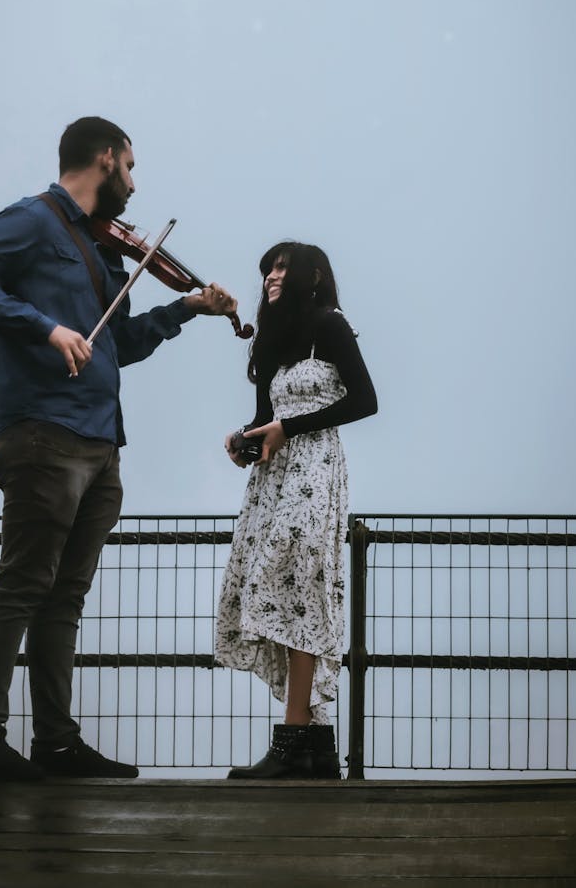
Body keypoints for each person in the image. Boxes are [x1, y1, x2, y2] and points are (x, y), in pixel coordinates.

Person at [0, 116, 237, 782]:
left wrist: (185, 309)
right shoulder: (33, 219)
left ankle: (57, 742)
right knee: (22, 584)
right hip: (44, 432)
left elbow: (116, 346)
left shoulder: (104, 251)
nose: (134, 182)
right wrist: (45, 329)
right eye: (130, 166)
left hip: (101, 442)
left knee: (63, 598)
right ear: (106, 159)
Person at [215, 241, 377, 779]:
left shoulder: (330, 325)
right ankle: (314, 745)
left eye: (282, 267)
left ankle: (289, 743)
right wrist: (246, 439)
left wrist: (290, 428)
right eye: (267, 269)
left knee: (292, 586)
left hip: (315, 470)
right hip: (275, 477)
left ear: (311, 275)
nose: (271, 276)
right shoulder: (272, 340)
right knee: (286, 588)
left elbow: (364, 401)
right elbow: (267, 416)